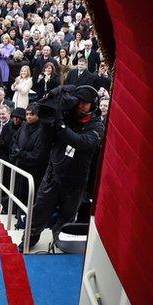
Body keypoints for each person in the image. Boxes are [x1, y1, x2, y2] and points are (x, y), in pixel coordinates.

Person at [22, 86, 105, 251]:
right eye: (78, 102)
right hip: (53, 176)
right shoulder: (66, 116)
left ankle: (61, 246)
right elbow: (46, 130)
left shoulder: (97, 126)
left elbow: (80, 142)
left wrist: (60, 124)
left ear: (93, 105)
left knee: (66, 218)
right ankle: (28, 241)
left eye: (85, 103)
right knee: (39, 212)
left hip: (75, 183)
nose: (80, 106)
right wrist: (52, 103)